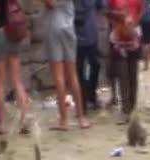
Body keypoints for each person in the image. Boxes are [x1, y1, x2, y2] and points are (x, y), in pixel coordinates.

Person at [43, 0, 91, 130]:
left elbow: (50, 3)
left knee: (59, 76)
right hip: (68, 26)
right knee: (72, 74)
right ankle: (81, 117)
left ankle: (64, 120)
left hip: (53, 26)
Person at [0, 0, 29, 135]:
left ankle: (1, 124)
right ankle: (24, 120)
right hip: (14, 31)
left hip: (0, 33)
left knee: (0, 81)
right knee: (17, 80)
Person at [107, 0, 145, 124]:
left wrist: (133, 24)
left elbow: (142, 10)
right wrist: (119, 19)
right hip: (118, 36)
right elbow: (108, 12)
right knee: (122, 74)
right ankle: (125, 109)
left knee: (133, 73)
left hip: (133, 35)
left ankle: (132, 108)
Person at [74, 0, 104, 113]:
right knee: (80, 69)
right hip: (76, 36)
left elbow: (100, 6)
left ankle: (91, 96)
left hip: (91, 33)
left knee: (94, 65)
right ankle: (82, 102)